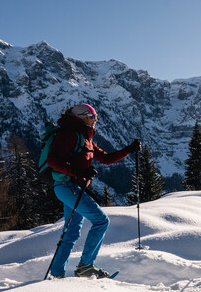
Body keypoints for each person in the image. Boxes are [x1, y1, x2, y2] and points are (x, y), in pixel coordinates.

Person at [46, 103, 141, 279]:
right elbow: (53, 160)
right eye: (92, 116)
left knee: (72, 231)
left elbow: (106, 159)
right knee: (101, 221)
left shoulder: (85, 138)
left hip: (71, 188)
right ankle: (86, 266)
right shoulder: (68, 133)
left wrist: (128, 149)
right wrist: (78, 171)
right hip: (68, 186)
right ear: (82, 117)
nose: (96, 120)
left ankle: (56, 273)